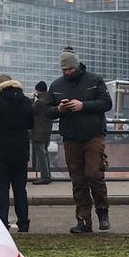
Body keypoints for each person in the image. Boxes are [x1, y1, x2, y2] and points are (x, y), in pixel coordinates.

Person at [47, 48, 113, 233]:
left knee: (94, 174)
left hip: (93, 135)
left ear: (77, 66)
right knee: (78, 180)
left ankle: (102, 211)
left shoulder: (95, 80)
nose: (67, 72)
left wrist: (83, 105)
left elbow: (106, 103)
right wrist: (59, 109)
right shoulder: (57, 85)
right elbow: (46, 111)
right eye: (64, 70)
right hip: (70, 137)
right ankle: (83, 220)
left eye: (69, 69)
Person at [0, 75, 35, 232]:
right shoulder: (26, 101)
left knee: (2, 189)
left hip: (1, 151)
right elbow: (31, 123)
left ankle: (3, 222)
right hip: (21, 151)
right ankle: (23, 223)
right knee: (20, 189)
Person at [28, 80, 55, 184]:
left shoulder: (40, 102)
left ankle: (45, 177)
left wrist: (32, 100)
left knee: (41, 155)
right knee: (45, 154)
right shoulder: (49, 99)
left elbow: (30, 111)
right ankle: (47, 175)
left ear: (38, 90)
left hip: (38, 130)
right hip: (46, 130)